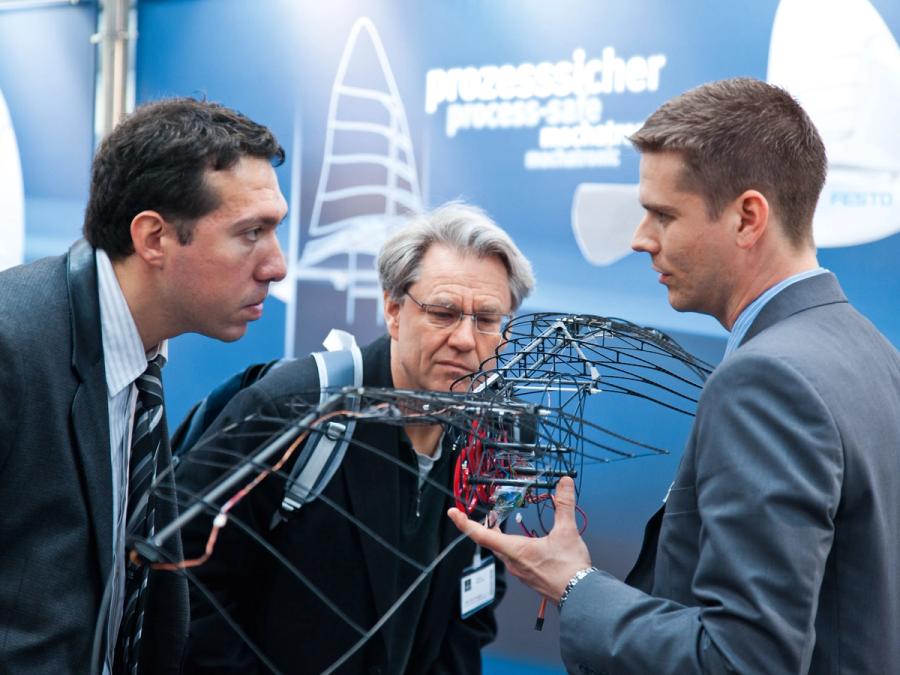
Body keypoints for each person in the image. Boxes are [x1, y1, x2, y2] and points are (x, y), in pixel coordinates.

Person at [450, 77, 900, 674]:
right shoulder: (873, 353)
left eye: (663, 215)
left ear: (748, 218)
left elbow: (742, 660)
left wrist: (574, 584)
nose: (641, 240)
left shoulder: (768, 381)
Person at [175, 202, 535, 674]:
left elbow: (472, 604)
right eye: (443, 313)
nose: (466, 340)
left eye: (487, 320)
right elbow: (184, 583)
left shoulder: (496, 438)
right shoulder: (296, 408)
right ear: (393, 309)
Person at [0, 97, 288, 673]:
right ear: (154, 238)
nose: (276, 266)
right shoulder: (13, 343)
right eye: (251, 232)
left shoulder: (141, 355)